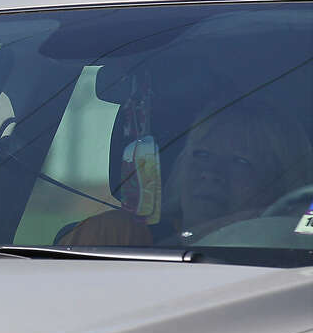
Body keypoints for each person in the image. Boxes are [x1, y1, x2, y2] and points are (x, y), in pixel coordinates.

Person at [59, 99, 313, 247]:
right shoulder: (115, 237)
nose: (211, 172)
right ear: (180, 166)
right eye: (201, 155)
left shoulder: (298, 252)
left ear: (284, 183)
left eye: (240, 161)